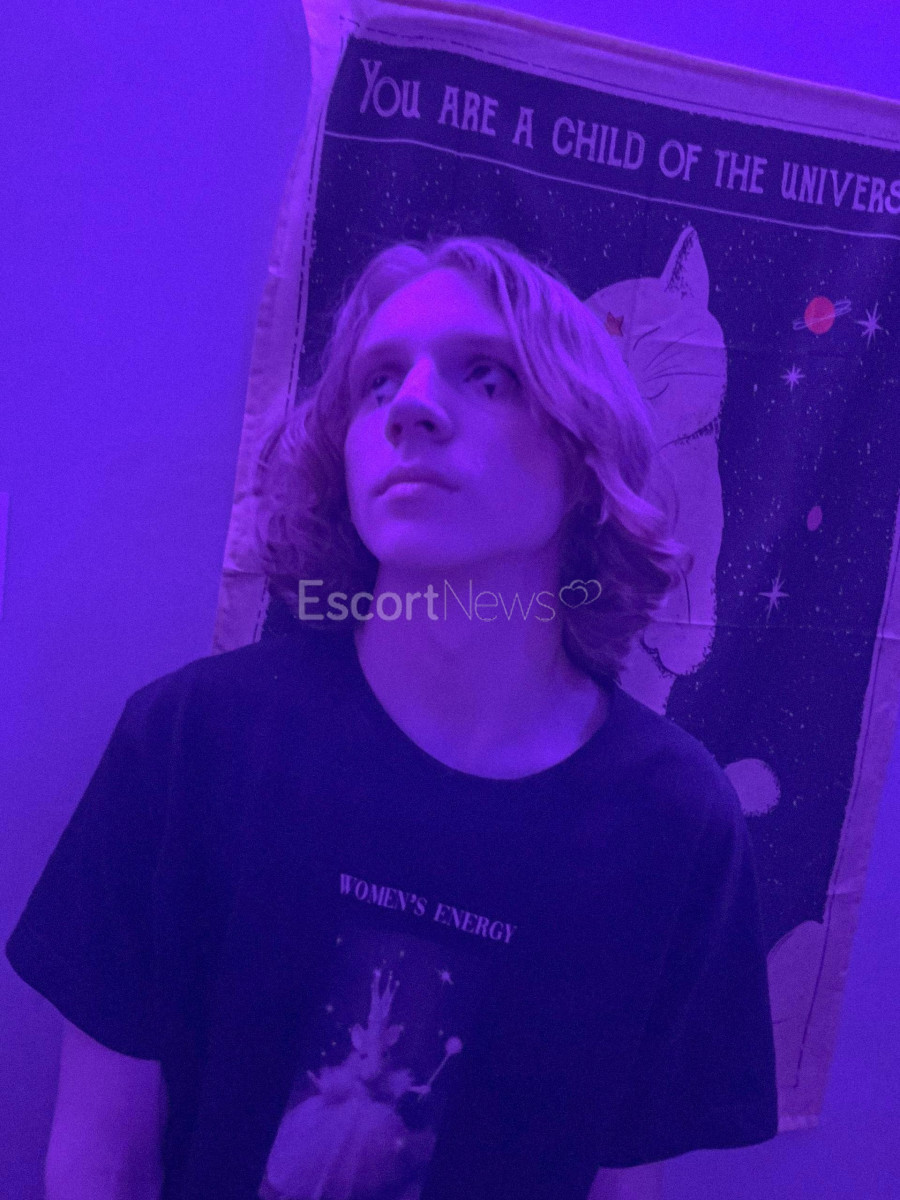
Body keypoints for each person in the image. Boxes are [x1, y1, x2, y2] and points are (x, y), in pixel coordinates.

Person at [6, 235, 778, 1200]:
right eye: (377, 383)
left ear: (585, 458)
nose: (411, 406)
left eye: (488, 376)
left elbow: (621, 1185)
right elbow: (100, 1159)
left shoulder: (676, 820)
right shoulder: (189, 746)